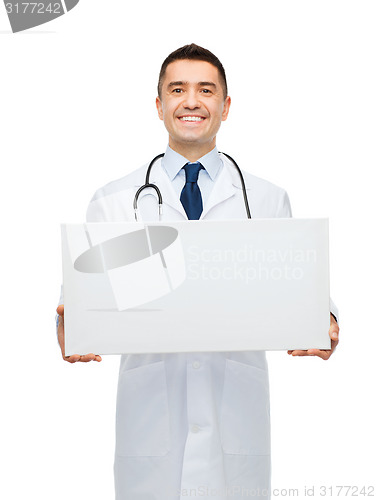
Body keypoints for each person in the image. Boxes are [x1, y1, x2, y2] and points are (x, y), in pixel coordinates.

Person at [57, 43, 339, 499]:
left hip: (235, 424)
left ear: (225, 107)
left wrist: (324, 318)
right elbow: (82, 298)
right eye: (177, 90)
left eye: (206, 90)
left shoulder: (265, 199)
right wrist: (69, 323)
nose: (191, 101)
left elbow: (297, 283)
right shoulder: (113, 200)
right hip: (151, 424)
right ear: (159, 105)